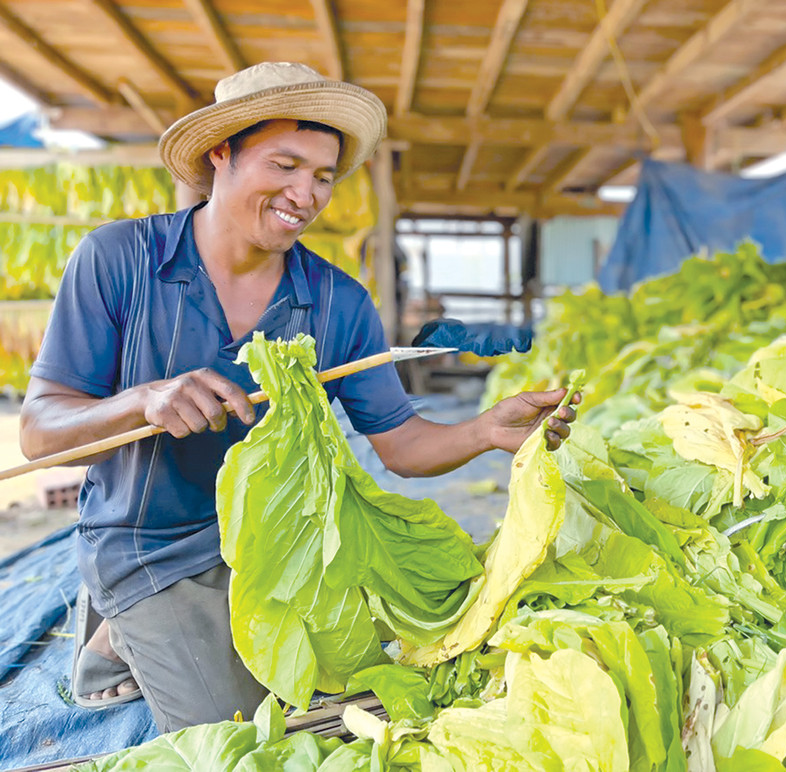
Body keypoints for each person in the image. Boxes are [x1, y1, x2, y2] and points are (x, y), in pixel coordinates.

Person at [19, 62, 579, 733]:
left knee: (363, 689)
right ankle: (114, 631)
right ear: (221, 153)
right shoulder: (119, 260)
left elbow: (399, 444)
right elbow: (40, 431)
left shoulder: (339, 302)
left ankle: (158, 632)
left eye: (322, 177)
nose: (306, 194)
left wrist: (485, 431)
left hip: (289, 542)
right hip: (153, 547)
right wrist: (143, 401)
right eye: (285, 165)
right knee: (236, 731)